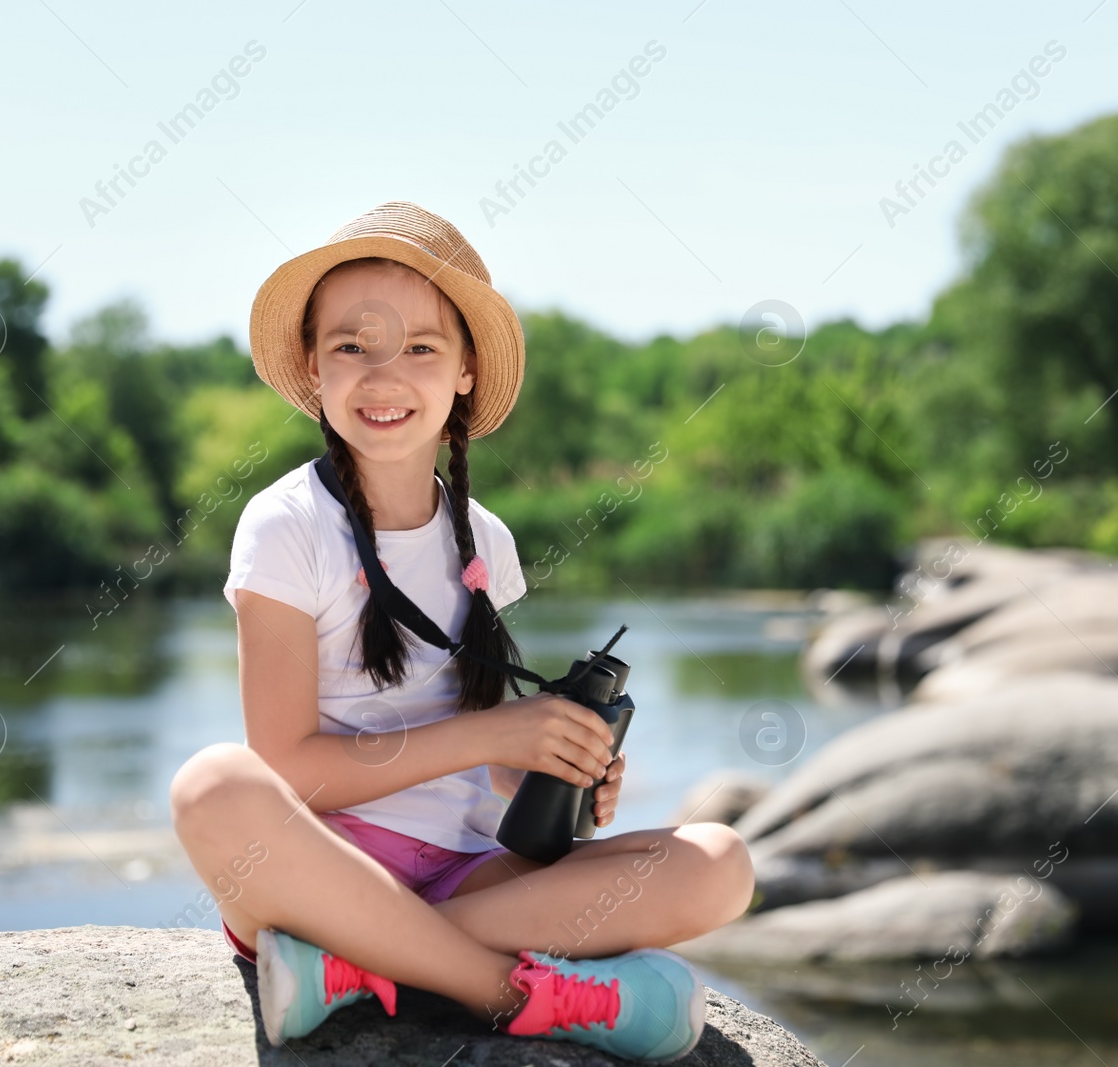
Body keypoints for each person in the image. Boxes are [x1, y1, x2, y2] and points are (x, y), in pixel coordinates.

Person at [168, 201, 755, 1062]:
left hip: (471, 870)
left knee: (720, 861)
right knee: (213, 786)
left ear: (467, 370)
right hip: (321, 866)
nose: (384, 376)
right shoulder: (284, 525)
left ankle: (359, 965)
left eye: (419, 348)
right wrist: (495, 730)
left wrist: (552, 764)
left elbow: (486, 767)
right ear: (311, 365)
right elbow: (289, 770)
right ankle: (515, 992)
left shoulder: (487, 538)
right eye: (351, 347)